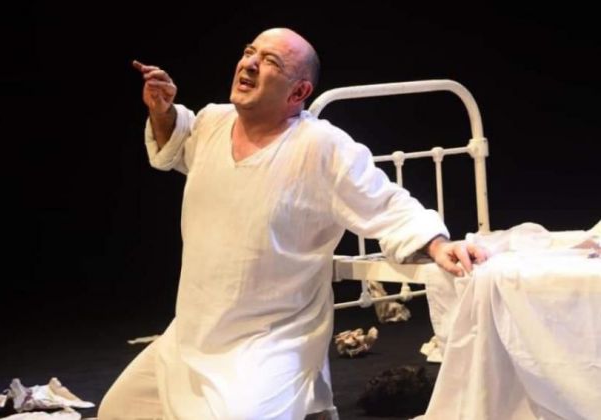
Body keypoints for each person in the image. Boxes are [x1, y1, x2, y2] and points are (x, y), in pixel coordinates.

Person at [99, 27, 488, 420]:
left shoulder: (319, 146)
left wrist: (438, 244)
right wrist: (162, 111)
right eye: (249, 52)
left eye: (269, 61)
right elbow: (175, 145)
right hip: (192, 336)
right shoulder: (212, 122)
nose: (250, 64)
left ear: (299, 92)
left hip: (270, 342)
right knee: (117, 411)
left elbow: (387, 203)